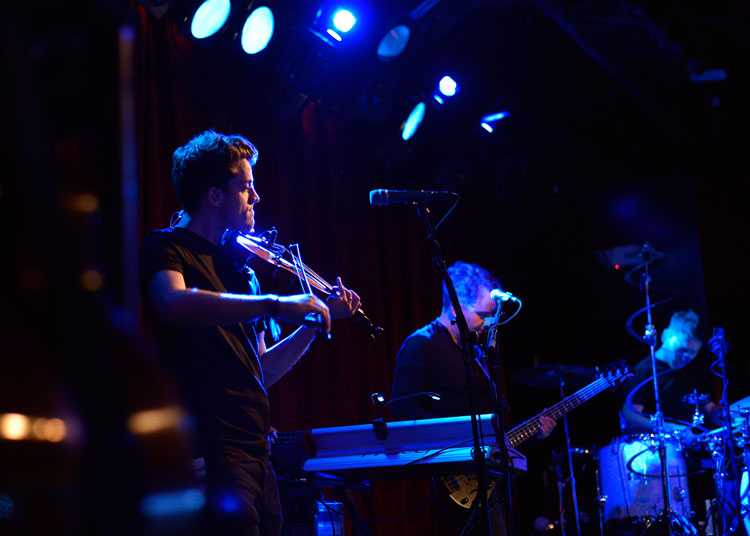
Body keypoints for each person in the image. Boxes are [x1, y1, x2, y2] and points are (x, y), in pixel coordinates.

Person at [140, 130, 360, 536]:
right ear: (214, 196)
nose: (256, 197)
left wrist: (313, 322)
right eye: (245, 188)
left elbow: (261, 369)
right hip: (209, 447)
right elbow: (173, 302)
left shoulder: (242, 273)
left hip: (256, 450)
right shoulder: (166, 247)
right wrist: (275, 303)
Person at [390, 261, 556, 535]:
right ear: (456, 309)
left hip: (485, 476)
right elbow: (402, 413)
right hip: (450, 478)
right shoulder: (422, 344)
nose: (488, 322)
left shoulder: (474, 354)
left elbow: (492, 425)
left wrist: (534, 433)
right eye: (482, 314)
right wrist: (461, 434)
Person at [621, 309, 721, 434]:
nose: (686, 357)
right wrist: (672, 430)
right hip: (664, 443)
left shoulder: (690, 371)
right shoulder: (644, 371)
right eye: (682, 349)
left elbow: (707, 408)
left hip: (694, 442)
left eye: (692, 352)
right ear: (665, 336)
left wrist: (720, 415)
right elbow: (630, 417)